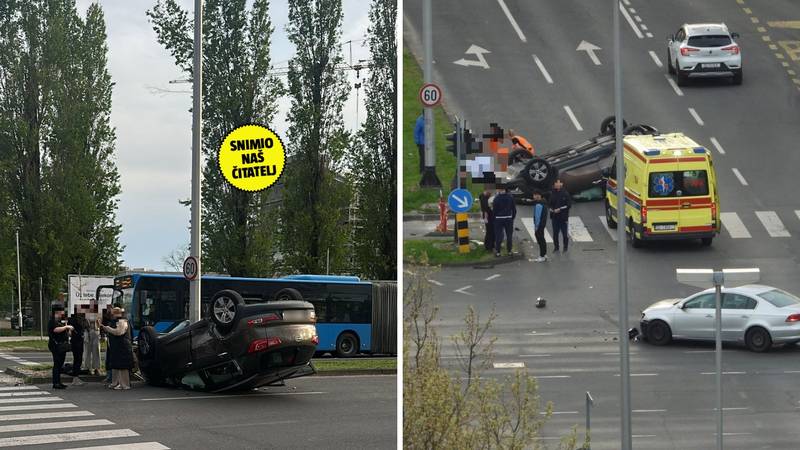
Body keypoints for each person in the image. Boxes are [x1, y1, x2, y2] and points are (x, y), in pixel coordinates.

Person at [99, 307, 134, 390]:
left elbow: (119, 332)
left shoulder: (123, 321)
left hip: (122, 346)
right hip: (117, 346)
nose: (112, 315)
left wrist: (108, 329)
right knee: (116, 365)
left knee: (122, 366)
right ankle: (116, 383)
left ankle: (124, 384)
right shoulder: (117, 321)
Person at [48, 304, 73, 389]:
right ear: (57, 312)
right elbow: (55, 330)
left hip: (62, 345)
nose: (63, 313)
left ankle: (59, 381)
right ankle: (56, 383)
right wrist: (66, 326)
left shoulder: (60, 320)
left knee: (60, 364)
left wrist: (66, 327)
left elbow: (66, 332)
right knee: (57, 364)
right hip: (56, 345)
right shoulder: (53, 320)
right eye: (62, 311)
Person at [549, 178, 572, 252]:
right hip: (554, 217)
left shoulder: (565, 194)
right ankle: (556, 247)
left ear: (561, 184)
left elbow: (568, 205)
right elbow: (550, 203)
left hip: (563, 217)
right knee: (555, 234)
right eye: (555, 183)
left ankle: (565, 247)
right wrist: (551, 209)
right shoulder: (552, 193)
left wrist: (560, 209)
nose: (556, 184)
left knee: (564, 234)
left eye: (557, 183)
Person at [492, 185, 516, 257]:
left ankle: (498, 251)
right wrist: (512, 217)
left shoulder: (496, 198)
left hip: (499, 218)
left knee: (498, 235)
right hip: (508, 218)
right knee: (509, 235)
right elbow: (514, 209)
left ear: (499, 190)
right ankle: (509, 251)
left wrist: (494, 218)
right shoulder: (510, 197)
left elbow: (494, 210)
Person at [67, 306, 86, 379]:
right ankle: (76, 375)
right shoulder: (78, 319)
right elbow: (85, 326)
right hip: (77, 339)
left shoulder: (72, 318)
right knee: (78, 358)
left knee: (77, 358)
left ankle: (76, 373)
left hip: (75, 339)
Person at [532, 190, 549, 262]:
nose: (534, 196)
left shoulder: (539, 204)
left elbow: (538, 217)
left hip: (539, 225)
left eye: (535, 195)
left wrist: (537, 226)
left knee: (540, 239)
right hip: (541, 224)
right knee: (542, 239)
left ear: (538, 196)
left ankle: (542, 256)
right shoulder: (542, 203)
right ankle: (544, 254)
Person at [84, 308, 101, 376]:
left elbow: (100, 324)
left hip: (96, 332)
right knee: (87, 351)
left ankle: (96, 368)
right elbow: (84, 323)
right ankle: (87, 368)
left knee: (96, 351)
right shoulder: (85, 313)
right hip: (87, 332)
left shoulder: (99, 314)